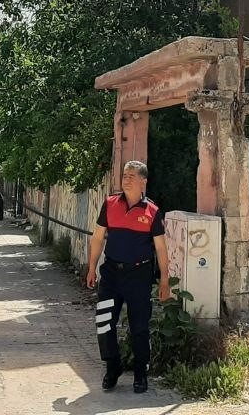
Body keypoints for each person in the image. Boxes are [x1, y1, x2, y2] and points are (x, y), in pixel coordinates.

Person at [86, 160, 171, 394]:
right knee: (104, 322)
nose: (126, 179)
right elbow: (97, 238)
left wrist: (165, 280)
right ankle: (113, 367)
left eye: (132, 176)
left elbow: (161, 249)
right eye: (124, 175)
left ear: (143, 181)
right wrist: (92, 267)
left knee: (139, 326)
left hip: (139, 275)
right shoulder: (110, 204)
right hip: (111, 274)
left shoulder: (152, 211)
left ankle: (141, 373)